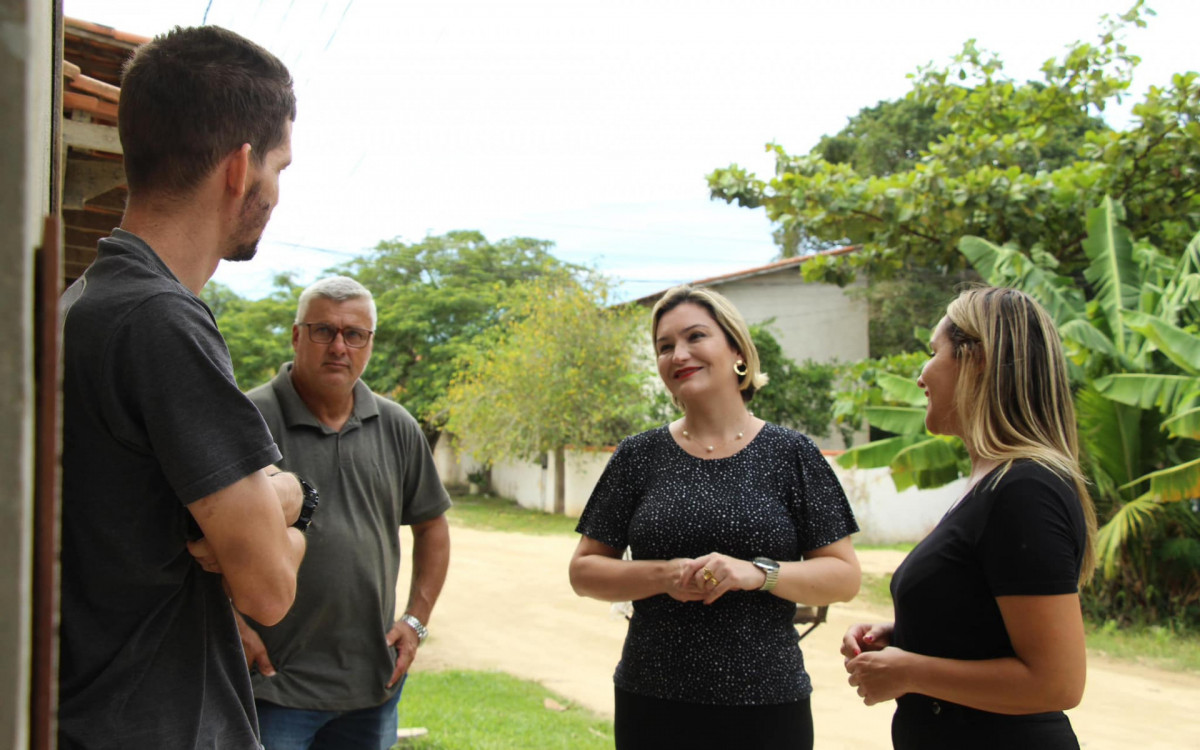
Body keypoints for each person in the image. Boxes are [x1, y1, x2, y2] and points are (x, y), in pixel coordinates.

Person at [59, 26, 310, 749]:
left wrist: (281, 500)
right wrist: (292, 502)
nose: (276, 191)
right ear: (239, 168)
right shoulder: (161, 321)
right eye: (279, 167)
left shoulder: (85, 299)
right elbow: (269, 589)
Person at [569, 285, 861, 750]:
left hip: (766, 704)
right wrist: (665, 575)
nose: (678, 354)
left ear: (737, 350)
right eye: (665, 347)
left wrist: (756, 573)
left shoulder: (792, 454)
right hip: (653, 701)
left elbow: (844, 577)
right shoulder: (637, 456)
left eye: (695, 337)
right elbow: (584, 571)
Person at [841, 287, 1098, 750]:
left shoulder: (1024, 490)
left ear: (976, 359)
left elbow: (1057, 683)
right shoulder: (994, 482)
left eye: (932, 353)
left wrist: (908, 670)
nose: (921, 375)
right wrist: (907, 635)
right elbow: (986, 625)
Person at [236, 276, 452, 750]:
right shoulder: (247, 418)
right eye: (323, 331)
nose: (339, 346)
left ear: (369, 344)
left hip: (372, 685)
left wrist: (416, 620)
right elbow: (200, 538)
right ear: (296, 336)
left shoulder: (396, 425)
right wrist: (235, 627)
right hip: (274, 684)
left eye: (354, 334)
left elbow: (432, 525)